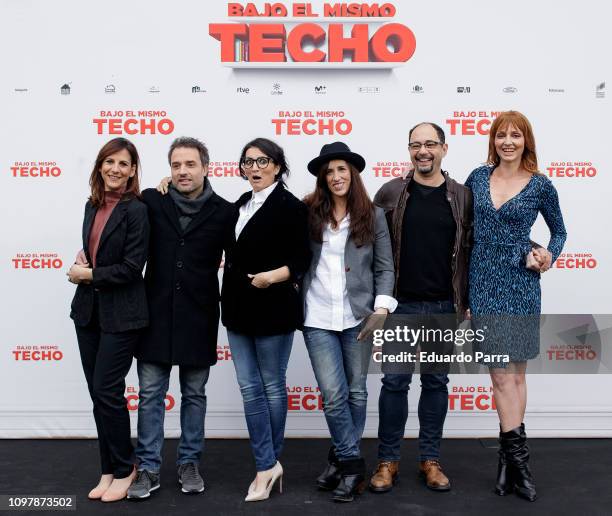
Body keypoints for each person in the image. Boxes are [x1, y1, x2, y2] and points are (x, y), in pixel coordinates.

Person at [465, 111, 566, 502]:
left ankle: (511, 465)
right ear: (493, 140)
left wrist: (547, 255)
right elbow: (461, 225)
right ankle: (517, 465)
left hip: (521, 282)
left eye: (516, 135)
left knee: (518, 378)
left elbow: (559, 231)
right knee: (501, 378)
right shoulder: (476, 177)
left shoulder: (541, 185)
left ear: (527, 141)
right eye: (502, 135)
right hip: (483, 280)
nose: (509, 141)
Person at [127, 137, 235, 499]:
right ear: (168, 170)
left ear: (207, 168)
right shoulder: (152, 200)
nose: (183, 171)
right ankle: (148, 467)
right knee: (151, 394)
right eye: (176, 165)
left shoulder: (224, 211)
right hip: (154, 315)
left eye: (190, 164)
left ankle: (189, 462)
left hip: (199, 316)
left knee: (194, 394)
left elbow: (237, 264)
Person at [368, 122, 472, 494]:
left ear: (444, 148)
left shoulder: (462, 195)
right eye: (416, 144)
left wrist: (467, 302)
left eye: (430, 144)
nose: (422, 151)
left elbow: (475, 249)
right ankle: (387, 461)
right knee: (394, 383)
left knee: (436, 382)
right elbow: (366, 238)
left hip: (444, 304)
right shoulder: (391, 192)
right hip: (400, 305)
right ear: (408, 149)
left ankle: (430, 459)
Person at [301, 142, 396, 503]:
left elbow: (385, 266)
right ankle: (353, 463)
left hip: (360, 317)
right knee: (333, 394)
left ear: (352, 174)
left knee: (356, 391)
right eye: (329, 171)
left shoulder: (373, 215)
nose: (336, 176)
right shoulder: (308, 211)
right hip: (317, 315)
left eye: (342, 169)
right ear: (323, 179)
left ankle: (339, 459)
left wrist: (382, 308)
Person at [221, 137, 311, 502]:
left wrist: (270, 277)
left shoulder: (291, 207)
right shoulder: (239, 205)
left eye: (262, 161)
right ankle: (270, 464)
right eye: (247, 162)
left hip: (272, 308)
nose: (254, 168)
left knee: (271, 386)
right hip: (237, 310)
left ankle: (266, 464)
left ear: (277, 166)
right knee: (249, 388)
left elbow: (302, 259)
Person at [68, 137, 149, 502]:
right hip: (87, 312)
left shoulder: (137, 210)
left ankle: (125, 467)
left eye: (123, 164)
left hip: (123, 315)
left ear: (133, 171)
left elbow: (132, 269)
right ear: (100, 165)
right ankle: (107, 468)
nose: (115, 169)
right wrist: (86, 260)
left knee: (107, 391)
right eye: (109, 162)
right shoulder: (92, 204)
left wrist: (89, 275)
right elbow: (96, 249)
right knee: (97, 395)